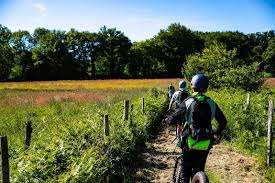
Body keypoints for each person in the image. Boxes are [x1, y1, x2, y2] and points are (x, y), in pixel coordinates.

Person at [165, 74, 227, 183]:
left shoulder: (189, 101)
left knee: (185, 169)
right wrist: (215, 133)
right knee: (199, 167)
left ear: (192, 86)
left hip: (190, 141)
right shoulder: (211, 103)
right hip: (206, 142)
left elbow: (175, 117)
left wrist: (167, 120)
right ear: (206, 87)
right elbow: (223, 122)